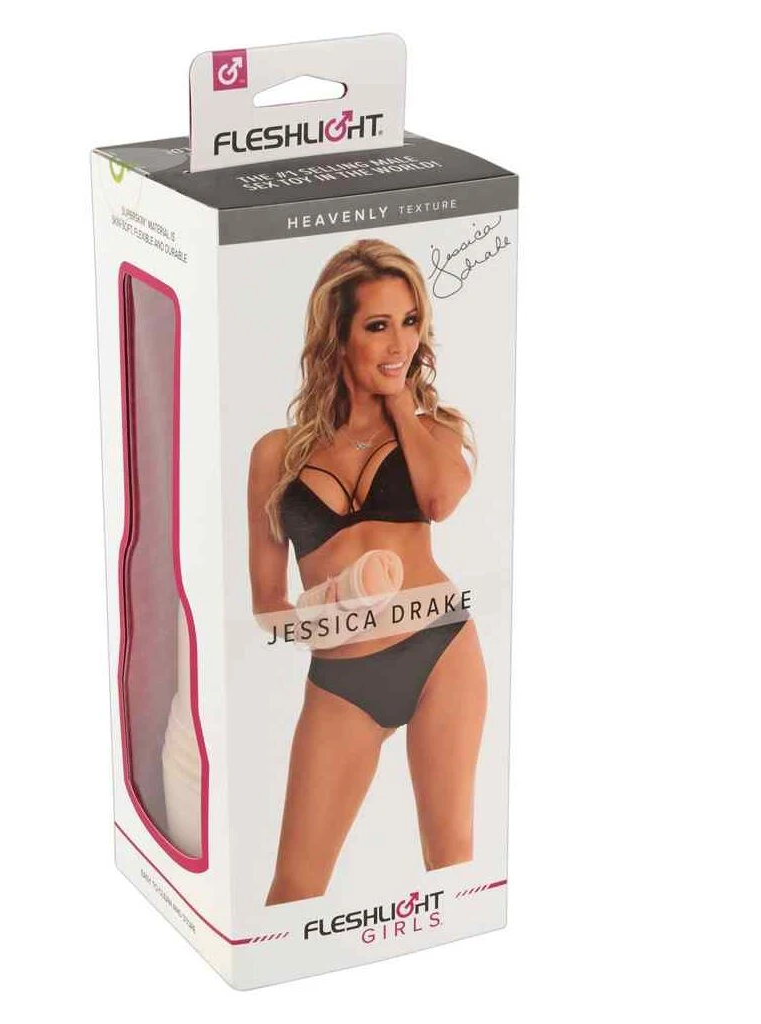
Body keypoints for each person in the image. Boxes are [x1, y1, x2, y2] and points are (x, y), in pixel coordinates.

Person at [247, 239, 488, 905]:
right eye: (378, 325)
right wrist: (326, 615)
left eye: (411, 322)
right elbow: (268, 603)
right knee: (295, 888)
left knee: (451, 861)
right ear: (338, 335)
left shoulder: (433, 430)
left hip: (440, 649)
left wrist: (401, 402)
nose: (399, 343)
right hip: (343, 679)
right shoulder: (276, 455)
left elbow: (440, 500)